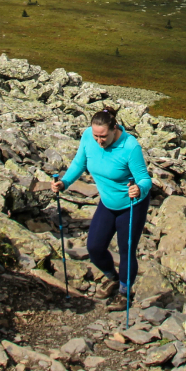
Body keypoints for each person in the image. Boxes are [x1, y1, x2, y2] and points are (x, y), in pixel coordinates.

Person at [52, 105, 152, 301]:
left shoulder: (130, 146)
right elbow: (78, 164)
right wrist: (64, 183)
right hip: (107, 202)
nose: (99, 141)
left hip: (132, 205)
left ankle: (125, 293)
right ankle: (113, 278)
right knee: (95, 248)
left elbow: (145, 179)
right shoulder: (88, 137)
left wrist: (139, 188)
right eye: (96, 136)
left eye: (103, 137)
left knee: (126, 250)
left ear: (114, 129)